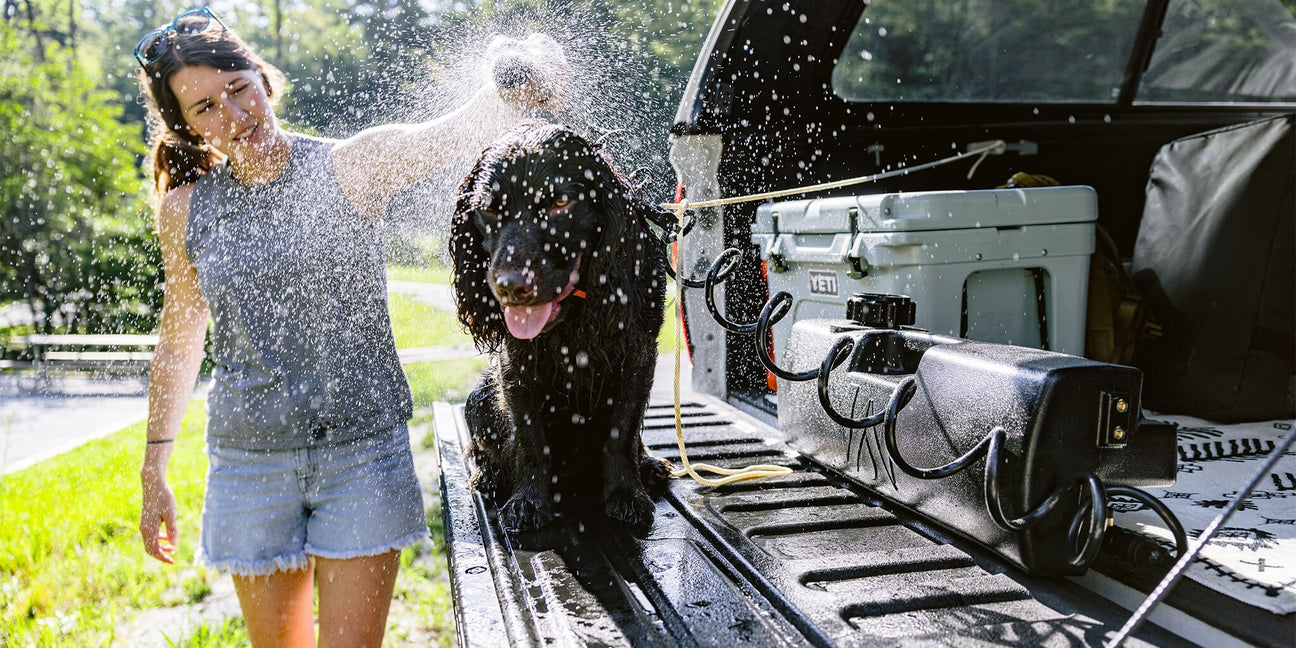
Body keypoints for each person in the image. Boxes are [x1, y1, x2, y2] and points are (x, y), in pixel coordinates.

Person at [133, 8, 568, 647]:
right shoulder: (186, 209)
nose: (234, 114)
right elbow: (179, 338)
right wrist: (154, 471)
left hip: (360, 457)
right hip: (248, 466)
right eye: (205, 108)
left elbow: (461, 127)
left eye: (238, 88)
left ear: (262, 79)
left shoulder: (352, 167)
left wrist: (521, 72)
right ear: (189, 127)